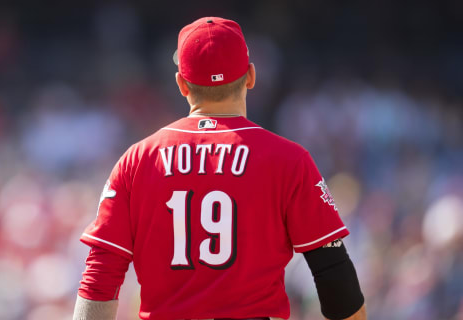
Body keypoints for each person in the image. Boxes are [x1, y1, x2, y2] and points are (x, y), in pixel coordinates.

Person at [73, 17, 366, 320]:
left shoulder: (137, 160)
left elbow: (100, 278)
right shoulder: (289, 159)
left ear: (181, 84)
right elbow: (334, 276)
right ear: (251, 76)